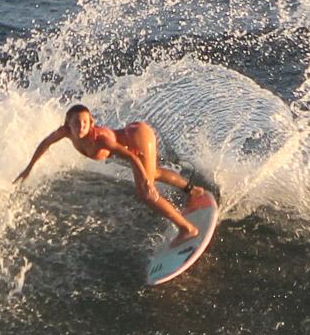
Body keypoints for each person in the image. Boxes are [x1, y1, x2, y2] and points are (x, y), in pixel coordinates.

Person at [15, 104, 202, 243]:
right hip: (131, 135)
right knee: (153, 173)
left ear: (91, 123)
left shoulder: (100, 140)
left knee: (145, 193)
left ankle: (187, 229)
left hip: (139, 137)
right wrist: (29, 167)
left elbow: (131, 157)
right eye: (76, 122)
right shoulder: (66, 133)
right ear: (67, 124)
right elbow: (45, 143)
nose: (81, 126)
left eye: (85, 123)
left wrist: (147, 182)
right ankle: (192, 191)